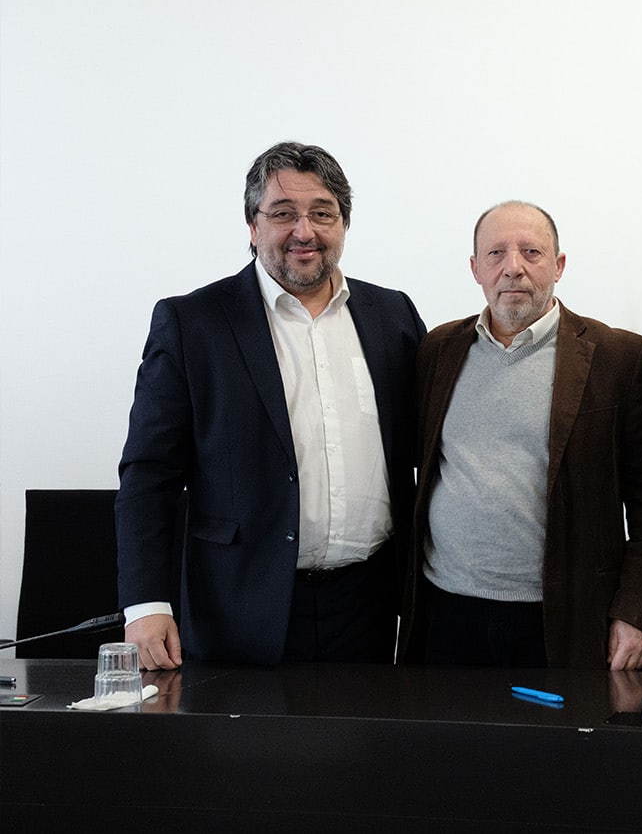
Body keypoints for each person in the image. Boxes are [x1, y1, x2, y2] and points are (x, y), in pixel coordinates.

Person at [116, 142, 426, 669]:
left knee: (367, 727)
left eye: (322, 213)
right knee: (242, 730)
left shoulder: (391, 314)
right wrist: (146, 603)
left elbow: (424, 443)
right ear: (252, 226)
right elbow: (149, 474)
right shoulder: (193, 324)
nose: (304, 231)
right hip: (238, 605)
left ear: (343, 225)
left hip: (370, 603)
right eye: (283, 213)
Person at [401, 200, 642, 670]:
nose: (513, 267)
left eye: (531, 252)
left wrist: (639, 612)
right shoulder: (438, 350)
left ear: (559, 265)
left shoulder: (617, 358)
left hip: (564, 618)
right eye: (496, 254)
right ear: (475, 268)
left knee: (565, 724)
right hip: (445, 614)